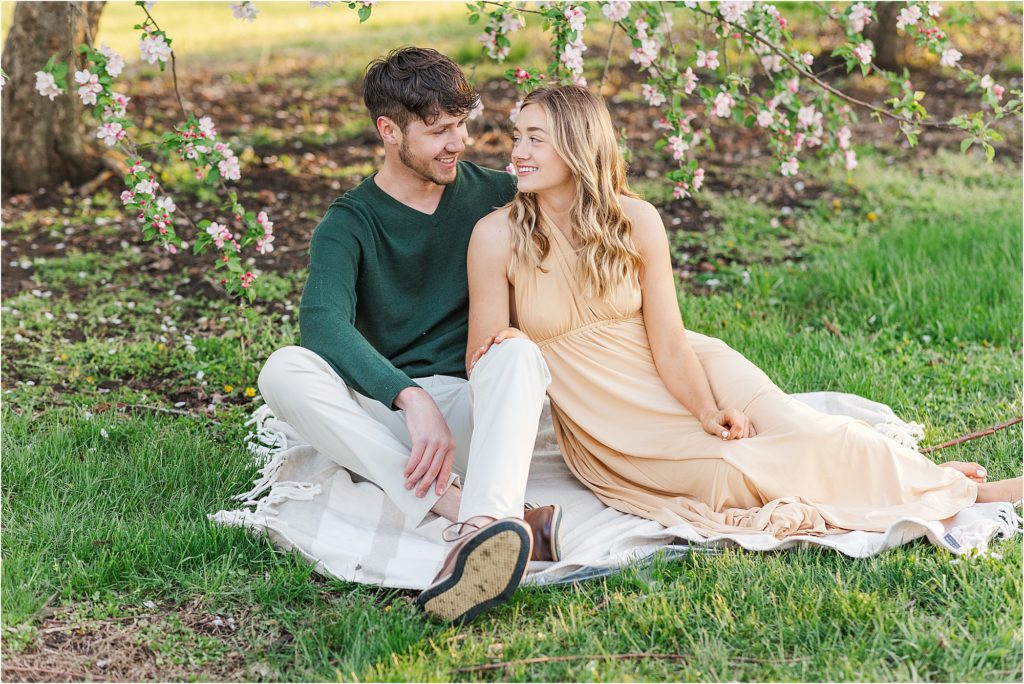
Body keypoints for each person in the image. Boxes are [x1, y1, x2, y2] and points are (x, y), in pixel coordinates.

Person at [466, 84, 1022, 539]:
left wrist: (707, 410)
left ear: (577, 145)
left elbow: (669, 339)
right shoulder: (495, 237)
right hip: (609, 419)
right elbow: (487, 362)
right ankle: (914, 483)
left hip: (688, 366)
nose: (517, 152)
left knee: (808, 432)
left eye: (535, 139)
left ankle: (961, 490)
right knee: (728, 474)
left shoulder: (635, 221)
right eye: (518, 137)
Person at [257, 48, 562, 626]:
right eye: (440, 130)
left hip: (478, 412)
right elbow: (322, 325)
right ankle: (478, 513)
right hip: (395, 423)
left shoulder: (499, 194)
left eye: (462, 124)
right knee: (282, 370)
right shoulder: (349, 221)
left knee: (518, 353)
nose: (460, 142)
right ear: (389, 130)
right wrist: (409, 396)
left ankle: (479, 526)